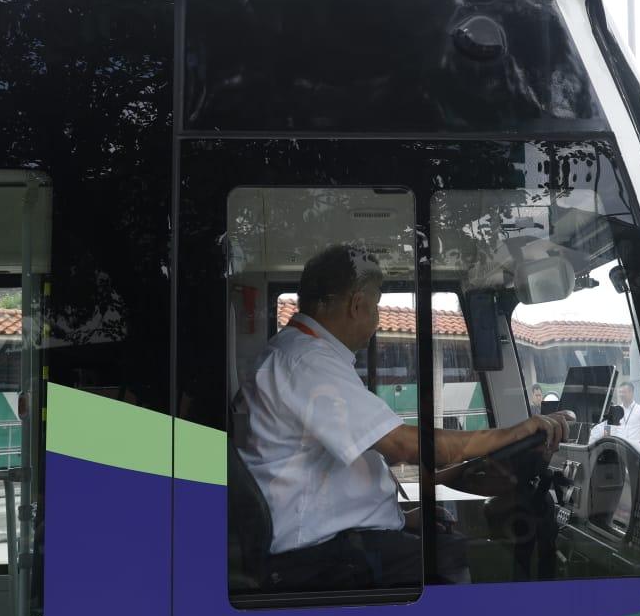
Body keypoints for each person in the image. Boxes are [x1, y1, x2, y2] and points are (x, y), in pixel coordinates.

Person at [239, 244, 572, 587]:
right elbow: (402, 445)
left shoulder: (301, 355)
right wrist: (514, 433)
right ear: (358, 305)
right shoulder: (307, 362)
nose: (376, 320)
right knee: (467, 558)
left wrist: (398, 517)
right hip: (312, 559)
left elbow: (335, 475)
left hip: (321, 542)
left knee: (447, 541)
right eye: (376, 307)